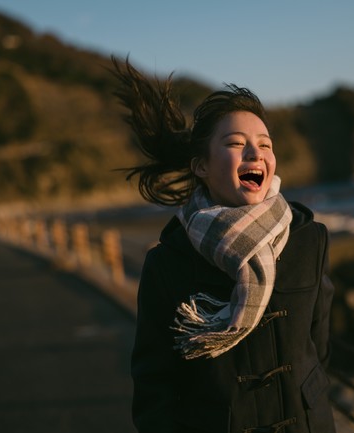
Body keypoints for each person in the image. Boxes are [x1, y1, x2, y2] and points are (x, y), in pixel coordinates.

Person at [111, 56, 337, 433]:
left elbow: (319, 349)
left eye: (265, 144)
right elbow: (154, 385)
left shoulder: (308, 241)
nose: (256, 153)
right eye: (236, 143)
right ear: (201, 166)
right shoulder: (168, 263)